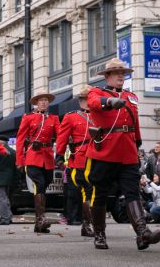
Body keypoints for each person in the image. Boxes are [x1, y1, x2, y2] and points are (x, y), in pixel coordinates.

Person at [85, 58, 160, 250]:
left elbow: (135, 124)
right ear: (108, 76)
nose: (121, 75)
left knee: (132, 192)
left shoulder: (131, 96)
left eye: (123, 72)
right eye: (117, 72)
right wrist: (110, 101)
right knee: (100, 194)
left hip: (127, 152)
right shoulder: (97, 92)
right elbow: (94, 103)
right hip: (104, 151)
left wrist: (137, 145)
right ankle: (100, 234)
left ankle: (142, 233)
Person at [16, 91, 60, 234]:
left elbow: (60, 136)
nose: (43, 102)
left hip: (47, 157)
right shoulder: (28, 118)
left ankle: (38, 223)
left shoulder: (53, 118)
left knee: (45, 183)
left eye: (46, 100)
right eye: (41, 100)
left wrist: (60, 154)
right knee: (39, 184)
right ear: (36, 103)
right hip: (32, 156)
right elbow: (20, 139)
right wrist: (20, 160)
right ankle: (41, 218)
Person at [56, 85, 94, 237]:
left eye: (89, 99)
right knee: (85, 191)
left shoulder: (102, 116)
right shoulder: (71, 117)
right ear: (80, 102)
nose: (86, 102)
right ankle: (86, 223)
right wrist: (58, 154)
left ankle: (92, 221)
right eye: (83, 99)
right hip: (80, 157)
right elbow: (62, 137)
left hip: (100, 157)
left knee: (96, 192)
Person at [0, 135, 16, 225]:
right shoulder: (13, 152)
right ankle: (9, 216)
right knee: (6, 198)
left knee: (2, 199)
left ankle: (5, 218)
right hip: (10, 178)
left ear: (0, 142)